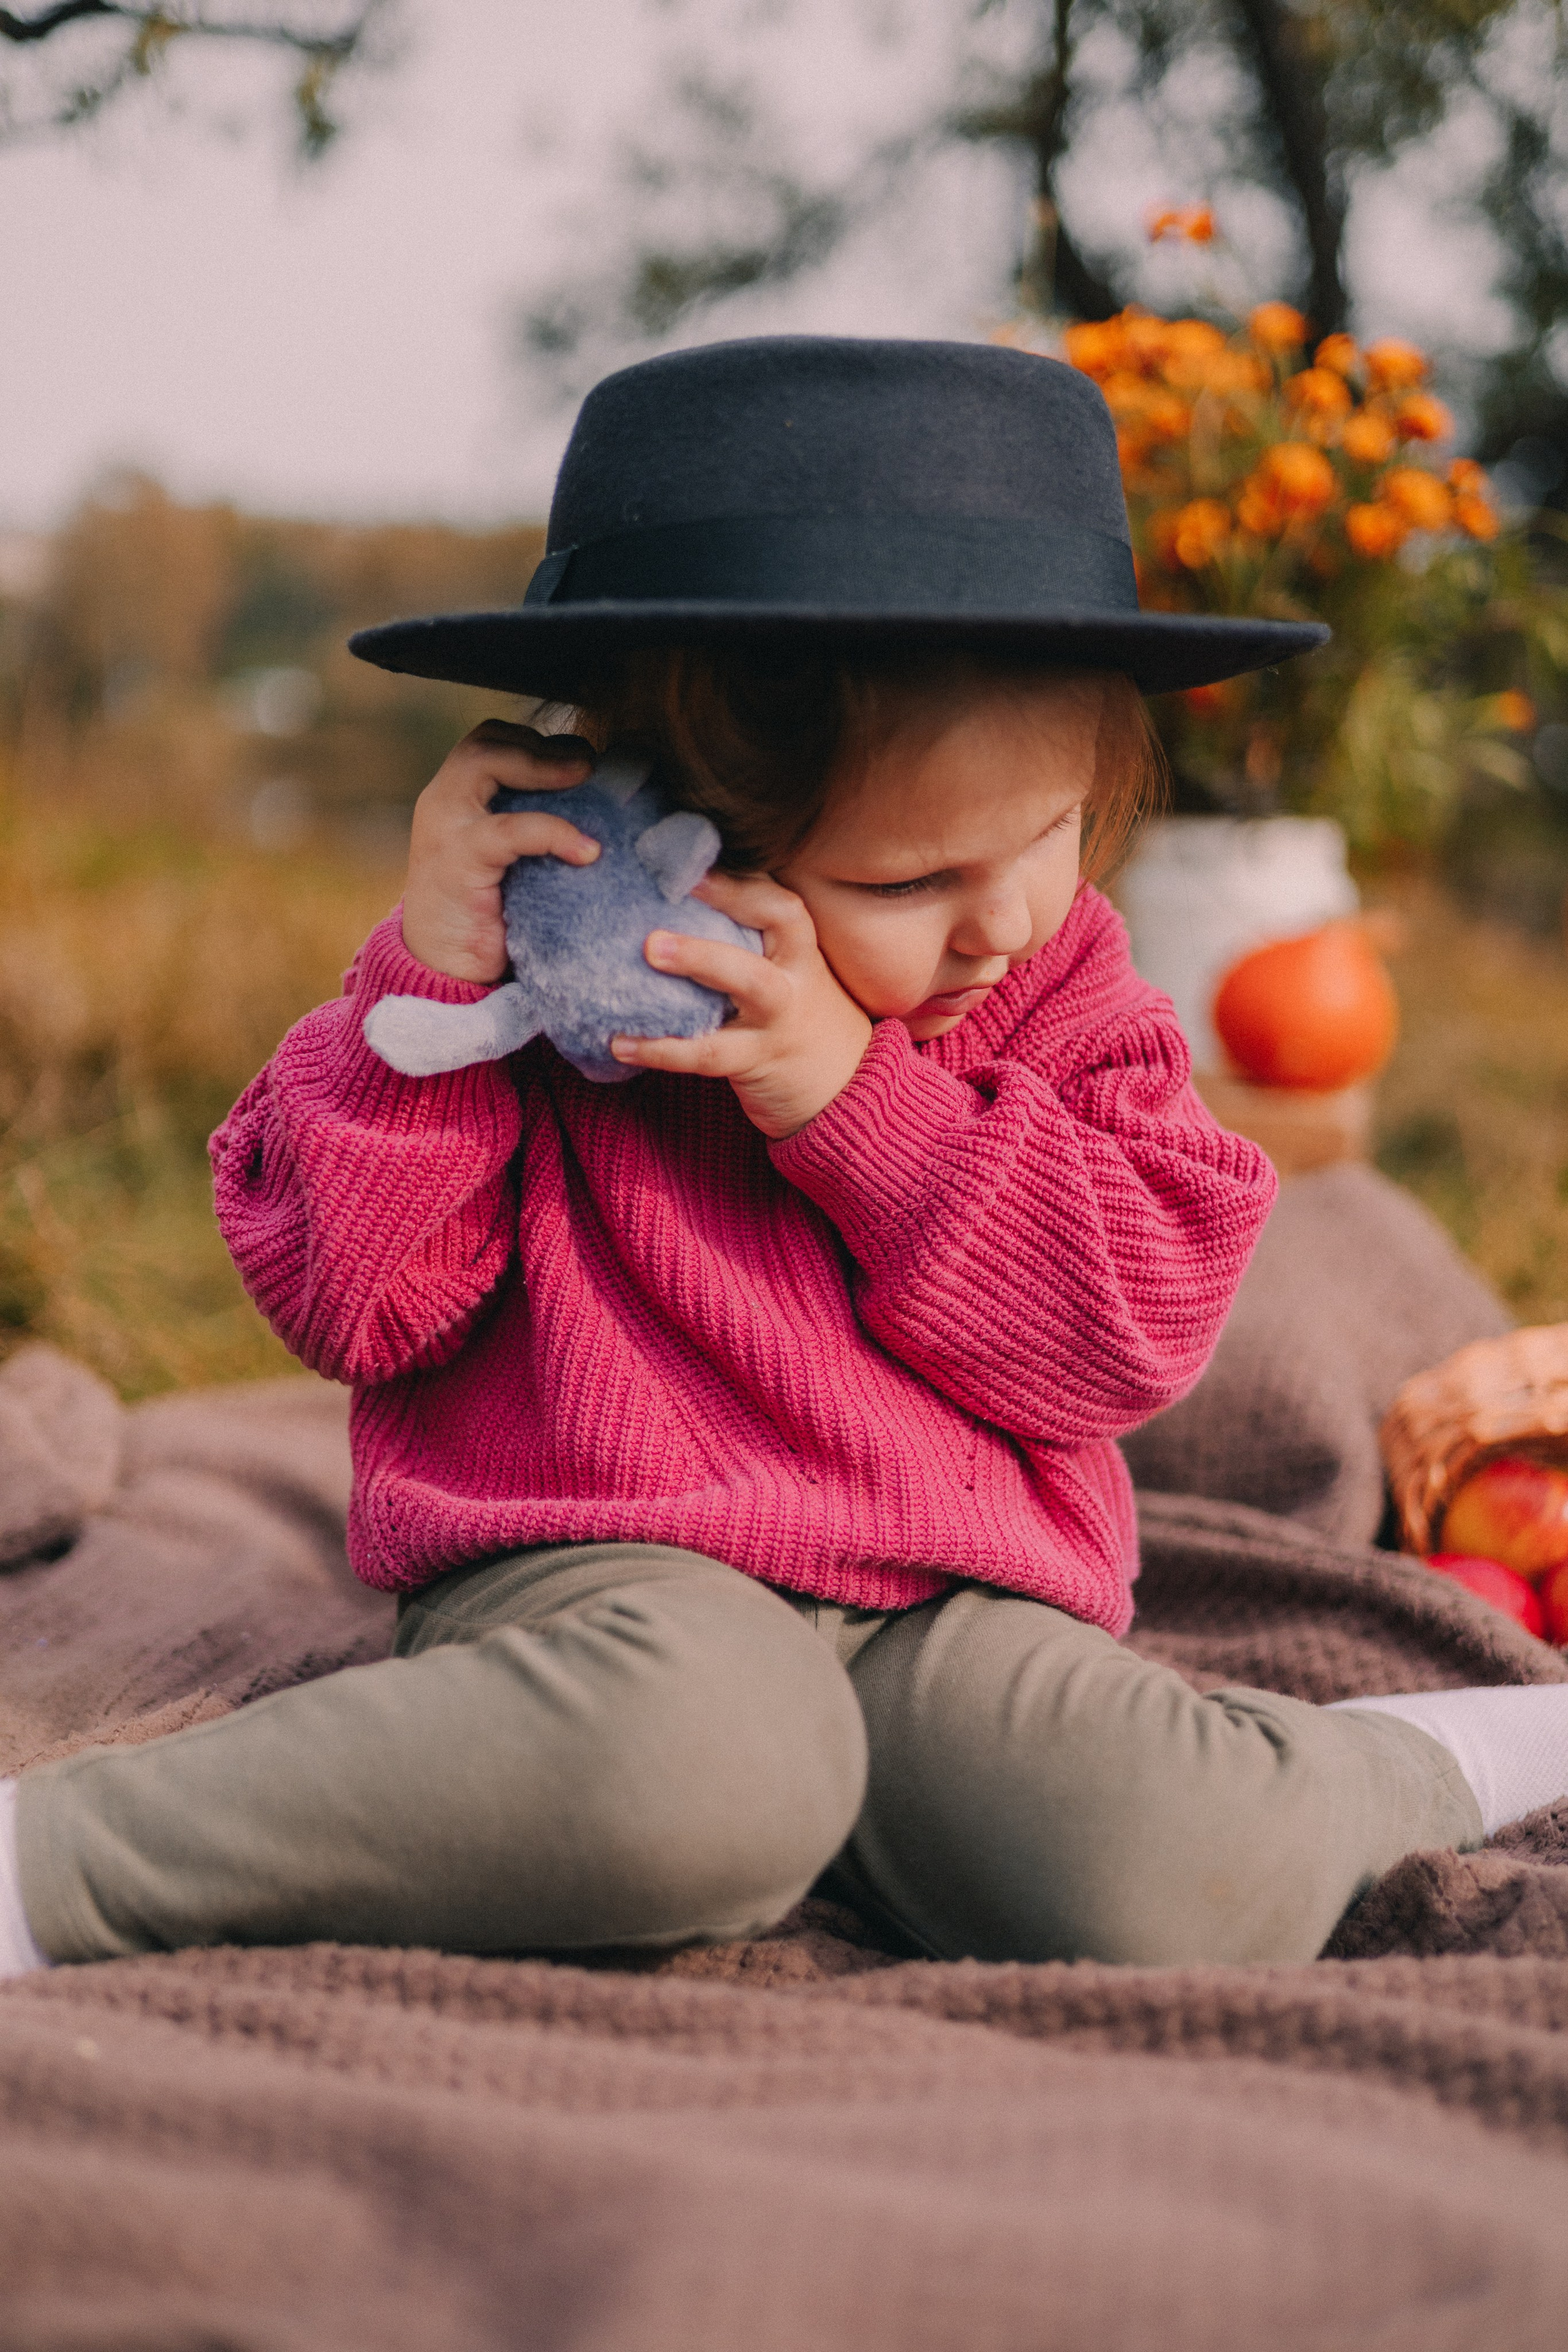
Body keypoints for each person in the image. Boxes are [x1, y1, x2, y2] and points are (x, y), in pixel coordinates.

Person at [2, 337, 1563, 1983]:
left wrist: (856, 1105)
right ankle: (65, 1865)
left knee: (1162, 1865)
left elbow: (1126, 1334)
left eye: (1050, 833)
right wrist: (431, 986)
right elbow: (355, 1309)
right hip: (602, 1581)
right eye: (911, 881)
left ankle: (1415, 1759)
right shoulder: (524, 1013)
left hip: (950, 1598)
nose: (1009, 917)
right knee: (705, 1766)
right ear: (658, 835)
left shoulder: (1060, 994)